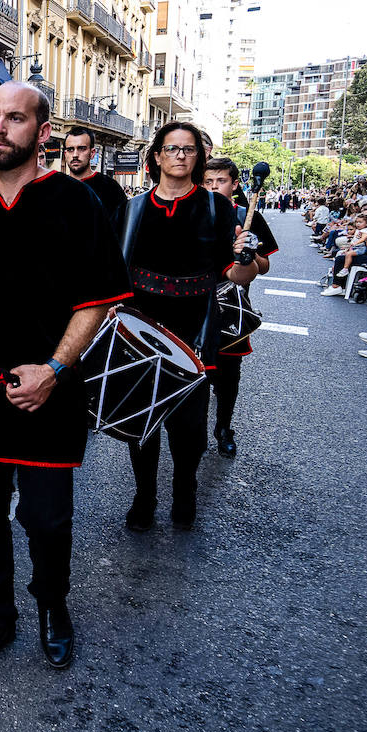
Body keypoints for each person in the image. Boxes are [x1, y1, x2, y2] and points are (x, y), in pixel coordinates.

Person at [0, 82, 131, 670]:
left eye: (14, 119)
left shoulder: (76, 202)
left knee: (46, 519)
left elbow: (96, 301)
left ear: (42, 134)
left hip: (50, 394)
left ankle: (51, 606)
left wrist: (56, 369)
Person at [120, 122, 256, 534]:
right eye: (171, 148)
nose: (180, 155)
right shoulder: (133, 209)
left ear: (198, 157)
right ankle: (144, 496)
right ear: (156, 156)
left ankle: (185, 489)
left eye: (188, 149)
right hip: (141, 324)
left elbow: (236, 275)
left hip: (196, 325)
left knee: (189, 426)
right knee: (141, 422)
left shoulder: (219, 210)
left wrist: (245, 255)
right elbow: (114, 269)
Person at [202, 158, 277, 457]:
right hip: (194, 305)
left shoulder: (248, 215)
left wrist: (249, 253)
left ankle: (223, 427)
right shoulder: (194, 212)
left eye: (219, 181)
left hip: (231, 309)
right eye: (207, 181)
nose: (212, 187)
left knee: (228, 377)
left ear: (234, 185)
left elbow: (266, 266)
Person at [62, 126, 126, 228]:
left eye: (81, 149)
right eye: (70, 149)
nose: (75, 155)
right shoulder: (58, 188)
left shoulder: (110, 188)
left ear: (92, 153)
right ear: (65, 154)